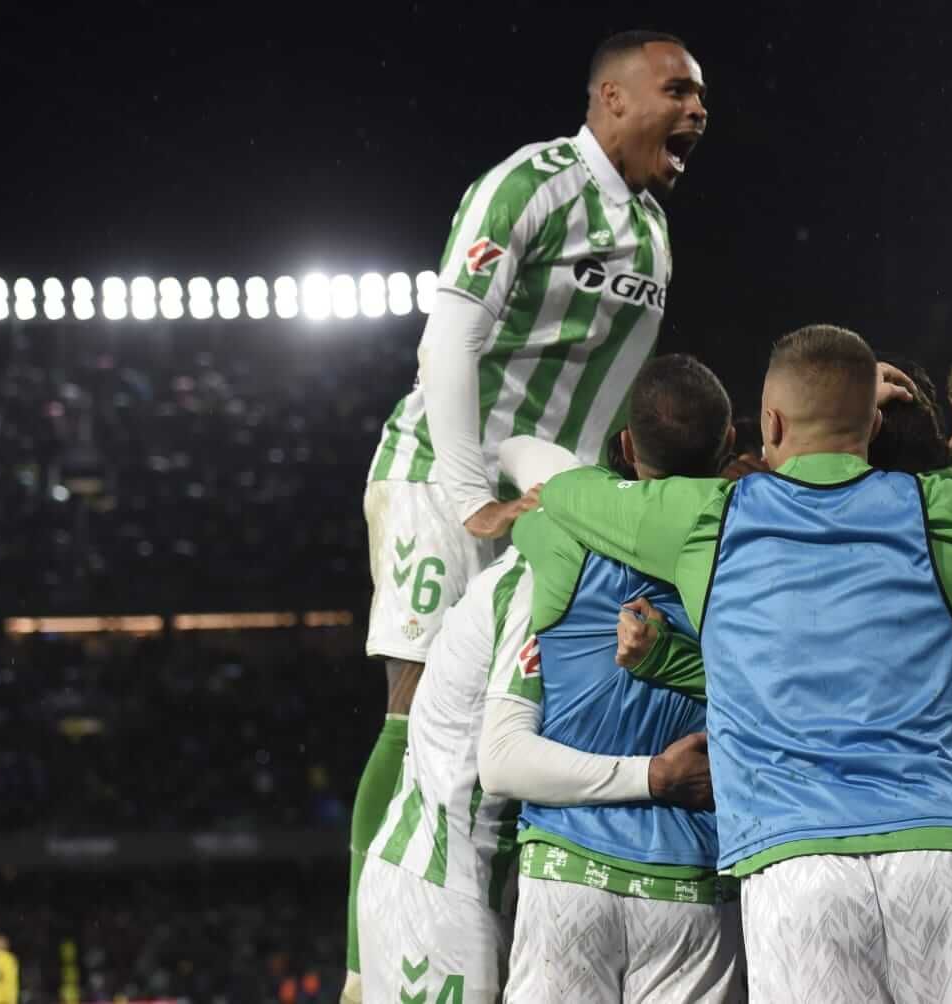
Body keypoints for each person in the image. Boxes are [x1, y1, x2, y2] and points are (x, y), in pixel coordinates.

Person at [531, 324, 952, 1002]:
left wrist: (665, 659)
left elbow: (565, 492)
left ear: (769, 422)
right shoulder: (946, 514)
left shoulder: (714, 517)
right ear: (874, 419)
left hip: (798, 863)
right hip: (943, 850)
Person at [345, 28, 708, 1000]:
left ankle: (491, 945)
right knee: (417, 710)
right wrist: (469, 494)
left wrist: (586, 502)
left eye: (699, 97)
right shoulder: (529, 184)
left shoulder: (654, 232)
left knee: (511, 721)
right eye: (676, 91)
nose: (697, 111)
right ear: (611, 100)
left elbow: (613, 391)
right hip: (442, 471)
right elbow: (449, 339)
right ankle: (358, 964)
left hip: (548, 500)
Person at [355, 438, 713, 1004]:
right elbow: (503, 763)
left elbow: (518, 446)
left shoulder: (588, 563)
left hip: (502, 883)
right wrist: (656, 776)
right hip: (443, 886)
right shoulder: (540, 589)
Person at [480, 355, 743, 1003]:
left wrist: (539, 498)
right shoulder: (753, 536)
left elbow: (515, 448)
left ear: (626, 445)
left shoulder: (556, 530)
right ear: (731, 444)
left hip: (565, 872)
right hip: (689, 884)